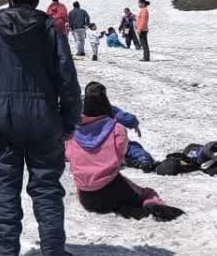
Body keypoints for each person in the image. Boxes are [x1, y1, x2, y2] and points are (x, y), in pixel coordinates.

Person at [0, 0, 80, 256]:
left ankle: (5, 249)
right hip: (43, 115)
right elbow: (67, 77)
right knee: (46, 184)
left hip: (2, 115)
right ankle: (54, 251)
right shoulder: (49, 30)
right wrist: (69, 119)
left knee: (5, 181)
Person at [66, 82, 184, 221]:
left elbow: (68, 154)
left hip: (87, 199)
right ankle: (148, 205)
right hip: (112, 187)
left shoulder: (73, 130)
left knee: (103, 193)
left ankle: (123, 208)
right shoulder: (116, 127)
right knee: (147, 193)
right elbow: (122, 151)